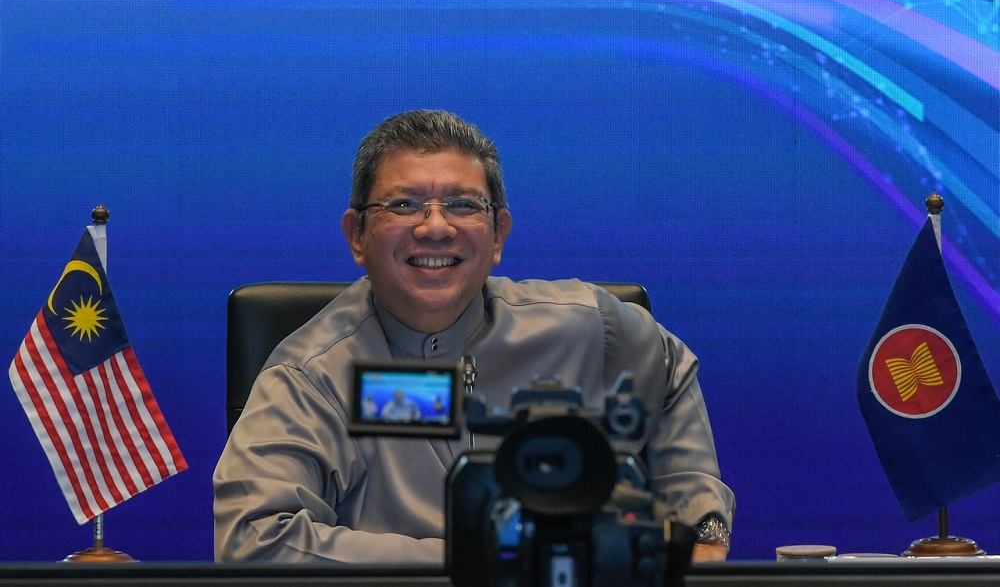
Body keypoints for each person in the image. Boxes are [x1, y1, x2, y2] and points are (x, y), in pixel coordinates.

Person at [213, 109, 735, 565]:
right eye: (404, 205)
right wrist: (482, 561)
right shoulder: (314, 376)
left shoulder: (582, 326)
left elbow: (670, 372)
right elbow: (253, 538)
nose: (435, 227)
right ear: (357, 236)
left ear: (498, 234)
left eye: (463, 205)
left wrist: (700, 526)